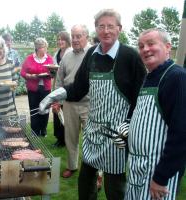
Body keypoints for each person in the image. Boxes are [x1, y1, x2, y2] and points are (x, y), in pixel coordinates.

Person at [39, 9, 146, 199]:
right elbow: (78, 88)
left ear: (119, 29)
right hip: (93, 130)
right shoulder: (92, 55)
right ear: (96, 29)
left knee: (114, 186)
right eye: (101, 26)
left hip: (117, 134)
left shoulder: (130, 56)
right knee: (86, 180)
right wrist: (55, 95)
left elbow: (141, 97)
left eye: (110, 26)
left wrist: (130, 123)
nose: (106, 31)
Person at [124, 28, 186, 200]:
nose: (145, 49)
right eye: (141, 46)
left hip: (158, 171)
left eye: (151, 44)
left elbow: (181, 134)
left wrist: (161, 177)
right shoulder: (149, 77)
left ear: (167, 47)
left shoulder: (176, 77)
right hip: (138, 167)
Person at [54, 24, 91, 178]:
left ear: (86, 37)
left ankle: (94, 170)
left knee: (92, 139)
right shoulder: (67, 56)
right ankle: (72, 166)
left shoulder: (94, 53)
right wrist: (56, 100)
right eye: (73, 36)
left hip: (90, 104)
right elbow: (59, 80)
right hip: (69, 103)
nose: (75, 39)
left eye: (78, 36)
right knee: (71, 137)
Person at [20, 38, 53, 137]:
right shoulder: (29, 58)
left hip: (46, 87)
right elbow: (23, 72)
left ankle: (43, 130)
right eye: (42, 47)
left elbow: (52, 72)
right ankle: (34, 131)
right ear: (37, 48)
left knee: (45, 109)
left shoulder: (49, 58)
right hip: (33, 88)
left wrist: (51, 73)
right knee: (34, 109)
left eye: (45, 47)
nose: (44, 49)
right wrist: (30, 76)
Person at [51, 31, 72, 147]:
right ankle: (59, 138)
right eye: (58, 39)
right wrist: (52, 71)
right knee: (56, 112)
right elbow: (55, 72)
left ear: (67, 40)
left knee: (66, 114)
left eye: (62, 39)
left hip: (67, 88)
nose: (60, 41)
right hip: (57, 87)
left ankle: (65, 139)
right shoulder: (56, 54)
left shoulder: (71, 53)